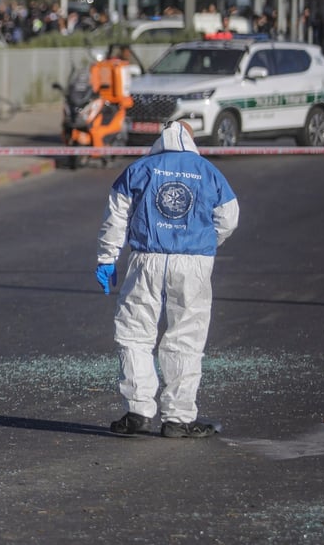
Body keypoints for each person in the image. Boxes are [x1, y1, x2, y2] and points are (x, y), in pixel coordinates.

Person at [95, 121, 239, 438]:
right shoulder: (207, 170)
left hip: (146, 259)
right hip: (193, 262)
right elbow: (229, 216)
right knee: (186, 336)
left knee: (134, 333)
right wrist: (206, 240)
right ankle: (178, 418)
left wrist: (107, 257)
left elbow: (116, 215)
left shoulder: (140, 169)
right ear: (190, 139)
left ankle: (138, 410)